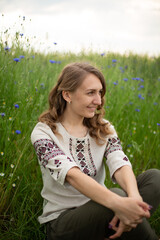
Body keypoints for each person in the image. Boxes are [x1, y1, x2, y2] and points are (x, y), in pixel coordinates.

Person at [31, 62, 160, 240]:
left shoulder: (103, 128)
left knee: (155, 178)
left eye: (100, 93)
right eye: (91, 93)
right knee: (116, 195)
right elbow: (71, 175)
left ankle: (118, 225)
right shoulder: (44, 132)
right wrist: (118, 202)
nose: (98, 101)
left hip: (103, 207)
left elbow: (119, 162)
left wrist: (134, 198)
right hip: (64, 223)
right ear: (67, 94)